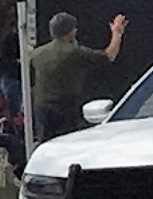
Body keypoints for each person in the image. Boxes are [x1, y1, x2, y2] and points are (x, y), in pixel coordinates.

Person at [29, 11, 127, 140]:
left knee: (46, 145)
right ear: (70, 31)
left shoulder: (37, 54)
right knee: (67, 142)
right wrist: (117, 33)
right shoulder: (74, 52)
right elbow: (109, 55)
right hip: (65, 107)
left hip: (41, 107)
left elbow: (30, 82)